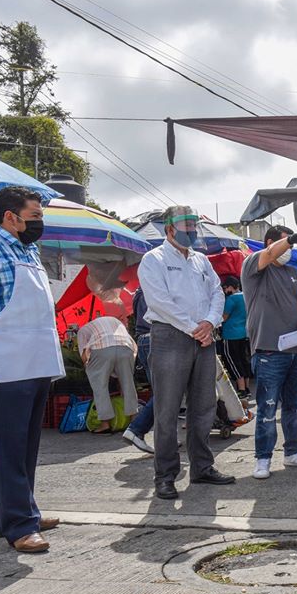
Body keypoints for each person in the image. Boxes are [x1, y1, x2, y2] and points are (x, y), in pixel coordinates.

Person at [0, 186, 64, 553]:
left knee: (26, 442)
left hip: (34, 355)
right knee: (8, 444)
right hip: (1, 353)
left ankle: (20, 512)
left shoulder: (29, 249)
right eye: (35, 216)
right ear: (11, 216)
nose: (40, 222)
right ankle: (18, 526)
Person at [138, 205, 233, 500]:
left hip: (204, 338)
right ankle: (165, 476)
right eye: (186, 226)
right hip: (170, 336)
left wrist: (209, 323)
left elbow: (217, 294)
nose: (191, 231)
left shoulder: (201, 261)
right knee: (166, 410)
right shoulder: (152, 260)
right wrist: (195, 327)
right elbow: (160, 301)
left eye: (194, 226)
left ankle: (202, 467)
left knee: (204, 406)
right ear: (169, 229)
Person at [242, 225, 297, 479]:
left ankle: (293, 452)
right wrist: (289, 242)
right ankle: (263, 458)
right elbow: (268, 254)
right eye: (286, 243)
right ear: (270, 242)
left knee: (294, 406)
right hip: (269, 351)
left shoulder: (293, 272)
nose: (290, 248)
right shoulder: (254, 267)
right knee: (267, 408)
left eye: (292, 244)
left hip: (296, 349)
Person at [77, 315, 138, 434]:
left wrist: (89, 369)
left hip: (101, 348)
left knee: (100, 386)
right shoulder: (113, 320)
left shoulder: (83, 330)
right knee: (128, 384)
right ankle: (134, 421)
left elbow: (84, 354)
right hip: (126, 347)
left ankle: (105, 424)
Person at [122, 287, 155, 454]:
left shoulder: (138, 293)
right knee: (167, 392)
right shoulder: (150, 290)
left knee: (164, 391)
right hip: (153, 339)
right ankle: (137, 429)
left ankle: (165, 437)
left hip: (144, 340)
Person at [220, 276, 252, 399]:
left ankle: (241, 390)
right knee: (243, 360)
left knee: (233, 361)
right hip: (243, 333)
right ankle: (247, 388)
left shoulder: (231, 299)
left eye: (225, 287)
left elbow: (224, 317)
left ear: (230, 287)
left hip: (231, 334)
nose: (224, 290)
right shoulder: (245, 296)